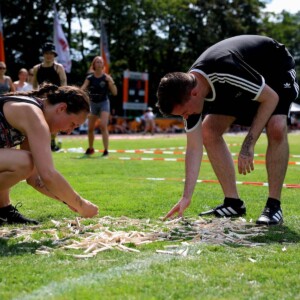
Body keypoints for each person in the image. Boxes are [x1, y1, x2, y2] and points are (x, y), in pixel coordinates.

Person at [156, 35, 299, 226]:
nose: (185, 117)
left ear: (194, 93)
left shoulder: (225, 69)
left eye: (183, 112)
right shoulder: (188, 90)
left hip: (273, 66)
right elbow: (193, 148)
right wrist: (186, 197)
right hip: (237, 85)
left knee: (276, 128)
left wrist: (249, 144)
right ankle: (233, 203)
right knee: (208, 130)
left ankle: (274, 207)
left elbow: (270, 98)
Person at [0, 83, 99, 226]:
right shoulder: (34, 116)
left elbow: (33, 178)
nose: (69, 131)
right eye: (72, 124)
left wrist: (68, 200)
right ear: (62, 108)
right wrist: (81, 205)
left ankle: (3, 210)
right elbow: (48, 175)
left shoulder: (33, 113)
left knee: (23, 161)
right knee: (25, 161)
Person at [32, 42, 67, 152]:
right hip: (41, 99)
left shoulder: (58, 67)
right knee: (41, 122)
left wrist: (62, 96)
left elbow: (64, 83)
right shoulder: (36, 68)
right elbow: (34, 85)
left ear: (54, 55)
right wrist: (35, 96)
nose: (49, 55)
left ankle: (52, 142)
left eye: (51, 53)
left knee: (53, 122)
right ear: (43, 54)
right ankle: (43, 142)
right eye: (47, 53)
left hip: (55, 99)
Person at [81, 56, 117, 156]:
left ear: (103, 65)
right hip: (92, 103)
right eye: (97, 62)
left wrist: (111, 81)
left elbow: (114, 92)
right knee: (90, 128)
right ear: (94, 65)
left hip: (104, 102)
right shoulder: (90, 78)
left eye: (101, 62)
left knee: (103, 126)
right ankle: (91, 148)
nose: (99, 64)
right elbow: (82, 89)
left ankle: (106, 150)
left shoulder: (106, 78)